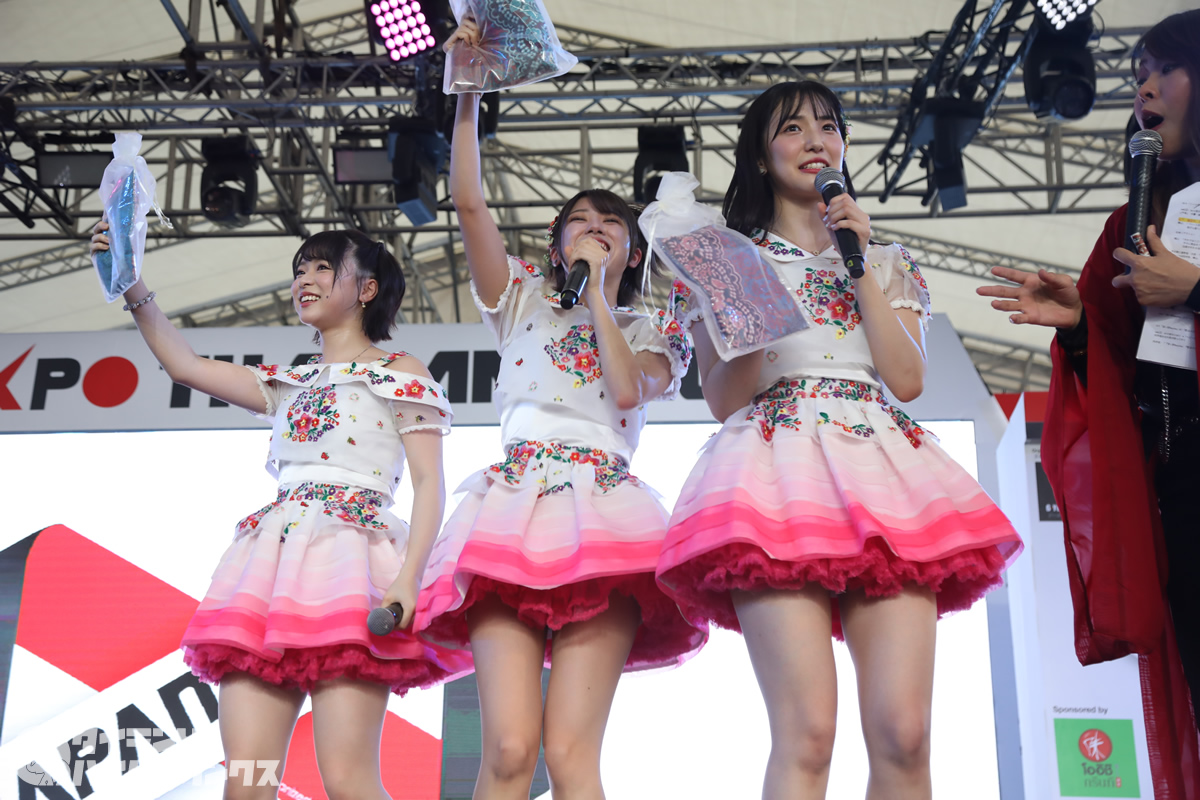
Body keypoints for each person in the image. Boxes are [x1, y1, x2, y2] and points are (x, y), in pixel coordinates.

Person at [655, 80, 1023, 800]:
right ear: (761, 155)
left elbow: (906, 379)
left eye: (829, 127)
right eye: (792, 129)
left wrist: (857, 261)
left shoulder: (882, 258)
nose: (816, 141)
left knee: (904, 733)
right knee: (808, 732)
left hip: (882, 470)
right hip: (774, 471)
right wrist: (747, 297)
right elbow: (724, 399)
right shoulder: (725, 259)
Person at [412, 20, 707, 800]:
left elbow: (627, 390)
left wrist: (601, 296)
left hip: (605, 513)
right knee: (509, 750)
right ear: (555, 241)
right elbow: (468, 204)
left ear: (633, 251)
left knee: (572, 755)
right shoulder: (519, 298)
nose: (596, 230)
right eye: (581, 221)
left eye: (612, 225)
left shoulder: (655, 327)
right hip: (509, 507)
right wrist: (467, 93)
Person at [89, 224, 471, 799]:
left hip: (349, 571)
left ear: (367, 289)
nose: (304, 280)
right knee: (247, 780)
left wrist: (410, 578)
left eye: (322, 268)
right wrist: (131, 283)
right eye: (299, 270)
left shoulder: (401, 371)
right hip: (269, 573)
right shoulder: (289, 383)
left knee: (347, 780)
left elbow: (428, 483)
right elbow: (186, 366)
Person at [977, 9, 1200, 794]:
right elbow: (1117, 369)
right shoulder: (1133, 224)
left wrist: (1195, 289)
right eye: (1137, 73)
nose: (1144, 88)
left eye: (1164, 68)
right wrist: (1078, 327)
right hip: (1181, 494)